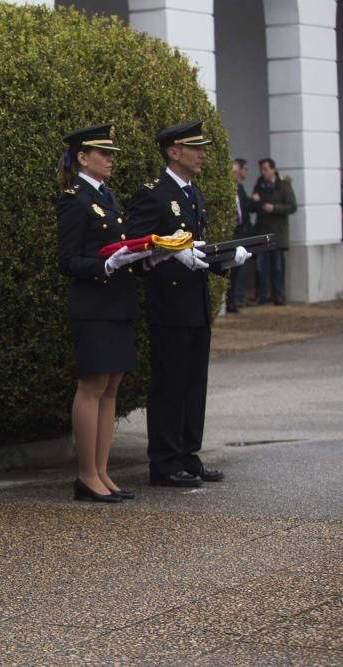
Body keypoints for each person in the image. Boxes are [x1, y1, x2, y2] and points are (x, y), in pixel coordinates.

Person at [127, 121, 250, 488]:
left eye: (202, 148)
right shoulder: (153, 193)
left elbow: (196, 248)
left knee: (194, 381)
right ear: (173, 152)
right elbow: (135, 247)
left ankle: (187, 454)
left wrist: (223, 260)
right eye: (194, 148)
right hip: (169, 303)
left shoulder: (192, 194)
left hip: (194, 301)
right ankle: (164, 461)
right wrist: (168, 253)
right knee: (170, 383)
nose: (202, 155)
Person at [55, 124, 148, 503]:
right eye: (103, 153)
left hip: (117, 302)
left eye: (111, 153)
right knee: (92, 386)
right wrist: (104, 266)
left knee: (111, 387)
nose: (110, 159)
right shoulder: (74, 199)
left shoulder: (106, 195)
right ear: (82, 157)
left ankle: (102, 472)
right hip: (93, 305)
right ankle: (86, 475)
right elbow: (68, 260)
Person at [252, 157, 297, 306]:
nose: (263, 172)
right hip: (262, 233)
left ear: (273, 169)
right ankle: (262, 295)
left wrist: (275, 208)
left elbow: (292, 206)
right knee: (260, 267)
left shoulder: (283, 186)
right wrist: (255, 201)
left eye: (265, 169)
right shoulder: (259, 185)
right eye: (261, 169)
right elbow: (252, 207)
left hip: (278, 233)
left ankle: (279, 295)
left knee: (277, 267)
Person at [226, 158, 256, 312]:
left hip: (240, 232)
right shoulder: (226, 188)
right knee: (231, 268)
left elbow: (245, 208)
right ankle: (231, 300)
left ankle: (234, 300)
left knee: (239, 268)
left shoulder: (240, 188)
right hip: (231, 233)